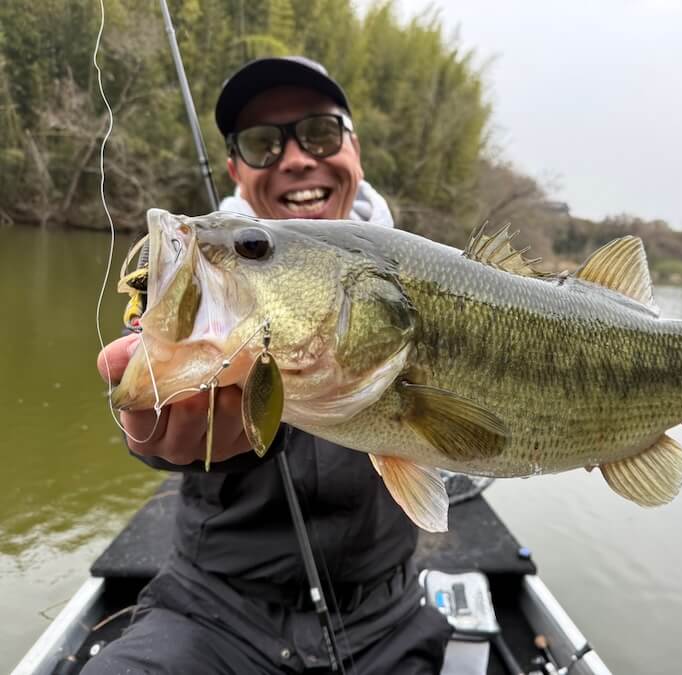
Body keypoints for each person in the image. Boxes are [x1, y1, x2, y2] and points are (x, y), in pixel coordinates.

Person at [87, 57, 453, 675]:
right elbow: (137, 372)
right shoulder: (201, 280)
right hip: (210, 611)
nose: (294, 159)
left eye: (319, 134)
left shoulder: (434, 279)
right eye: (262, 143)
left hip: (385, 615)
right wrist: (147, 424)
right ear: (234, 169)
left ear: (353, 150)